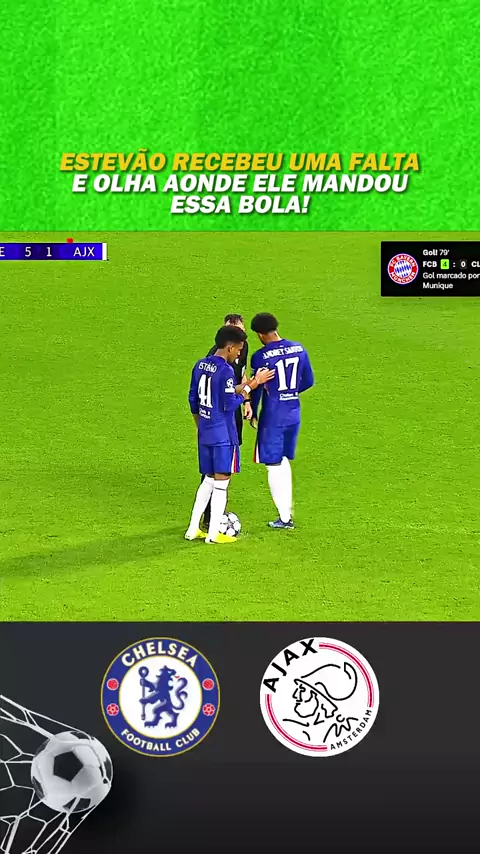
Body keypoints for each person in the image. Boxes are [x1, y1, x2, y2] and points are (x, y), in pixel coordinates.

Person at [185, 325, 274, 544]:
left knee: (208, 480)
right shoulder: (225, 370)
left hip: (206, 432)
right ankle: (214, 534)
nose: (239, 354)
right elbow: (229, 404)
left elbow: (193, 399)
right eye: (239, 349)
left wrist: (200, 425)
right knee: (221, 483)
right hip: (223, 436)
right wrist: (251, 387)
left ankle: (193, 529)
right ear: (230, 347)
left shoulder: (200, 365)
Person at [250, 313, 314, 529]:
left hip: (273, 415)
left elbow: (257, 387)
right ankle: (287, 511)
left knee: (272, 463)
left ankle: (284, 518)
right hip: (293, 412)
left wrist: (253, 410)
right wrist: (290, 392)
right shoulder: (299, 348)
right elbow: (308, 381)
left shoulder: (260, 356)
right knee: (284, 458)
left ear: (260, 334)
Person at [202, 314, 252, 529]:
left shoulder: (242, 348)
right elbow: (224, 398)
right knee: (213, 470)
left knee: (225, 466)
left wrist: (247, 402)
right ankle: (210, 519)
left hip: (231, 416)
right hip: (219, 418)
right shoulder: (215, 361)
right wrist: (250, 387)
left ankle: (212, 514)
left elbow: (242, 375)